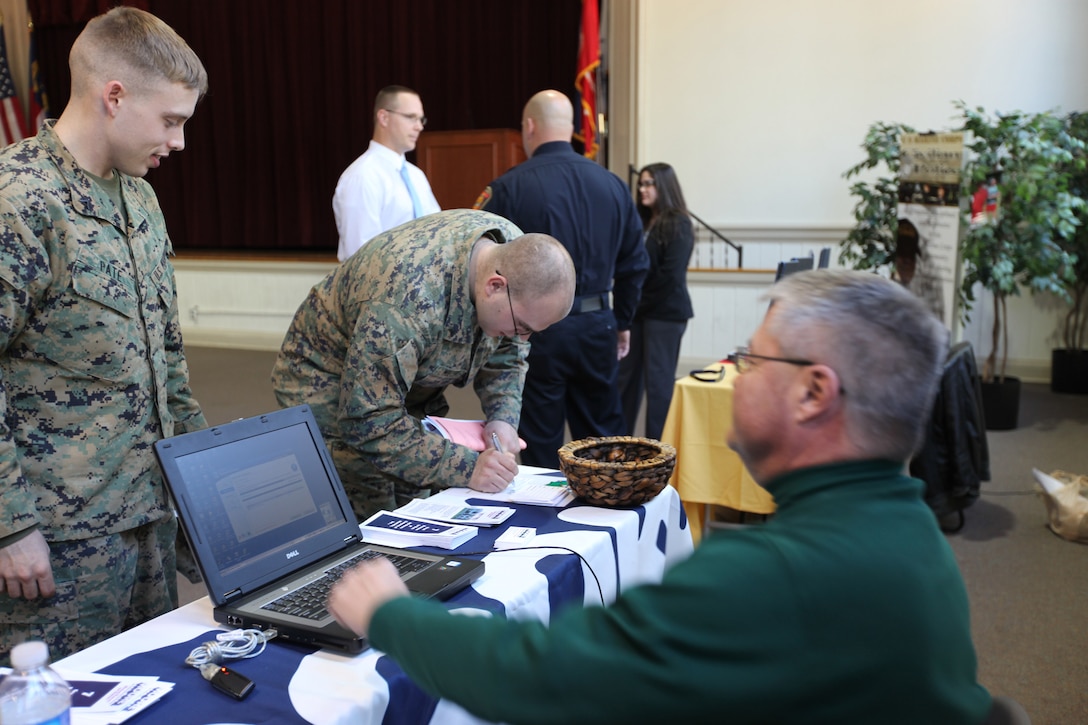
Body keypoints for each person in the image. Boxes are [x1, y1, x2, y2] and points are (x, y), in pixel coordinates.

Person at [328, 270, 994, 724]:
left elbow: (536, 676)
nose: (731, 374)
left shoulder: (771, 576)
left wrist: (389, 611)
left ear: (813, 392)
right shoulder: (913, 534)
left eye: (750, 359)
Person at [0, 7, 209, 661]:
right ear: (113, 96)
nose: (177, 142)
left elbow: (167, 362)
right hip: (57, 539)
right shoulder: (21, 200)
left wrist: (203, 490)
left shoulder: (138, 198)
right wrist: (10, 525)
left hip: (146, 516)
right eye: (170, 120)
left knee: (147, 687)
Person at [272, 209, 576, 520]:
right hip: (327, 379)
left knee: (419, 500)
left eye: (532, 332)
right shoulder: (404, 303)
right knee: (372, 508)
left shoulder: (511, 254)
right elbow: (368, 422)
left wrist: (503, 418)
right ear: (494, 286)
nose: (522, 338)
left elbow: (509, 351)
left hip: (403, 376)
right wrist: (467, 467)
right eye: (521, 325)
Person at [474, 89, 648, 468]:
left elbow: (479, 256)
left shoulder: (509, 188)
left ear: (530, 126)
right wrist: (622, 323)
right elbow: (636, 264)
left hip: (535, 330)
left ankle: (545, 522)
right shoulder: (614, 186)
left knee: (539, 438)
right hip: (599, 326)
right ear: (571, 129)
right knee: (604, 439)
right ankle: (611, 517)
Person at [618, 163, 694, 439]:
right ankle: (621, 444)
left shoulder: (678, 222)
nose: (642, 189)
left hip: (665, 315)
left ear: (664, 186)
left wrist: (637, 298)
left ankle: (657, 454)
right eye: (641, 184)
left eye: (649, 184)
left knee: (659, 387)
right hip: (639, 314)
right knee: (625, 382)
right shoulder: (641, 221)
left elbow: (670, 276)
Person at [333, 85, 441, 261]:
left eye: (421, 119)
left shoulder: (416, 176)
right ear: (383, 117)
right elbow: (361, 256)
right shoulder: (362, 176)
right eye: (411, 117)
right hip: (381, 285)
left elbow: (438, 232)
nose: (419, 127)